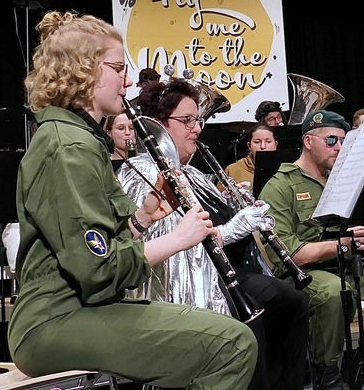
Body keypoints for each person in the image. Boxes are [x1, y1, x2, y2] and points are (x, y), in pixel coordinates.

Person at [8, 10, 257, 389]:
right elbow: (99, 271)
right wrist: (179, 239)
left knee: (217, 337)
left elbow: (94, 246)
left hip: (76, 311)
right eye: (118, 67)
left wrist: (142, 219)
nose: (127, 79)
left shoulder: (78, 140)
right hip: (54, 321)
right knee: (233, 345)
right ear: (84, 70)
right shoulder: (68, 148)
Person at [118, 77, 309, 390]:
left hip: (222, 271)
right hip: (188, 286)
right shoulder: (141, 172)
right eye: (188, 120)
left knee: (291, 302)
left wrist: (244, 210)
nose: (197, 128)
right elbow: (176, 243)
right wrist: (231, 229)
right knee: (254, 318)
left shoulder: (193, 172)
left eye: (199, 120)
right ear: (158, 124)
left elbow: (217, 223)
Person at [258, 110, 364, 389]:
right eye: (332, 140)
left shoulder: (344, 182)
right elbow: (286, 253)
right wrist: (340, 245)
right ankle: (327, 374)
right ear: (308, 141)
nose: (338, 148)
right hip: (307, 274)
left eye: (342, 142)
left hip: (350, 266)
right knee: (334, 293)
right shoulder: (281, 184)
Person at [223, 123, 278, 188]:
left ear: (275, 145)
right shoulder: (232, 170)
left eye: (268, 142)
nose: (263, 146)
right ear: (249, 146)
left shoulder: (285, 169)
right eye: (257, 142)